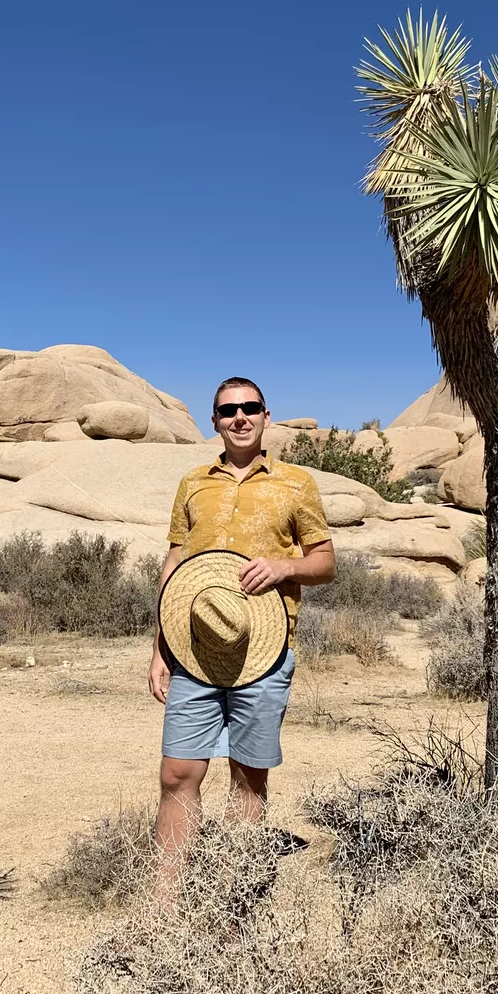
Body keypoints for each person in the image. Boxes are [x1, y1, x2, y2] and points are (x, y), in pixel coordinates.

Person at [149, 377, 335, 896]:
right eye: (228, 410)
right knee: (177, 774)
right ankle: (165, 907)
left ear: (266, 415)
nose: (240, 417)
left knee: (248, 775)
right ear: (214, 421)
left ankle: (233, 899)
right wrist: (159, 647)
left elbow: (325, 563)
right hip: (194, 650)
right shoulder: (193, 483)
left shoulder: (296, 483)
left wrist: (282, 567)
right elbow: (174, 563)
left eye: (250, 408)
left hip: (265, 651)